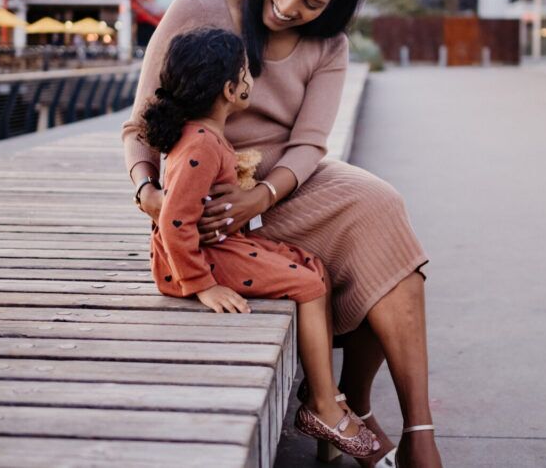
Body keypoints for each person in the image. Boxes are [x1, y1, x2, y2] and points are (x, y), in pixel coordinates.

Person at [121, 0, 442, 467]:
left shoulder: (329, 46)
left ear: (332, 8)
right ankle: (344, 414)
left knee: (383, 218)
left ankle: (413, 427)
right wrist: (147, 191)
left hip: (284, 186)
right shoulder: (195, 11)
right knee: (373, 248)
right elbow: (141, 125)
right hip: (206, 192)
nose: (291, 7)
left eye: (312, 3)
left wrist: (264, 195)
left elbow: (310, 145)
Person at [143, 26, 382, 458]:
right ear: (230, 89)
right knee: (308, 286)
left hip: (217, 248)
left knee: (311, 264)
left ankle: (321, 388)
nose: (252, 80)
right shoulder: (199, 143)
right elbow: (175, 221)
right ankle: (324, 408)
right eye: (245, 73)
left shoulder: (207, 136)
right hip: (199, 261)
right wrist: (202, 284)